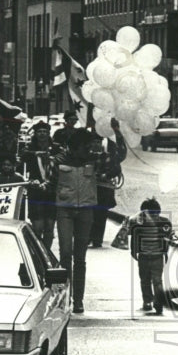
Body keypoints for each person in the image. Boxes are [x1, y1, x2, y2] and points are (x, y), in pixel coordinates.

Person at [54, 129, 99, 314]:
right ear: (75, 147)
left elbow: (115, 164)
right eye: (85, 147)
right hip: (64, 209)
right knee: (65, 253)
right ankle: (66, 297)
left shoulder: (94, 160)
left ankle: (78, 300)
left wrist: (117, 136)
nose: (88, 150)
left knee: (80, 258)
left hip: (86, 210)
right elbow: (50, 182)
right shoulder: (58, 160)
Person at [129, 197, 176, 315]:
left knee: (145, 280)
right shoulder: (163, 223)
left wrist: (134, 252)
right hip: (156, 257)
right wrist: (165, 253)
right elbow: (167, 239)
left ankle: (148, 301)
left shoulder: (139, 224)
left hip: (146, 257)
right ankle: (156, 302)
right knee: (156, 281)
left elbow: (134, 239)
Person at [88, 118, 127, 248]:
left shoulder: (111, 146)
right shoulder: (86, 147)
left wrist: (107, 174)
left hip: (104, 188)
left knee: (101, 214)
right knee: (87, 213)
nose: (96, 143)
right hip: (88, 187)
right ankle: (87, 237)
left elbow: (119, 160)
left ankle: (97, 239)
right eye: (94, 141)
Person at [20, 121, 58, 252]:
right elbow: (22, 156)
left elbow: (63, 158)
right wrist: (35, 153)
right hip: (36, 190)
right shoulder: (29, 148)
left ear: (49, 134)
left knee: (49, 225)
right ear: (35, 134)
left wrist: (52, 158)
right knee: (37, 225)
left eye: (45, 132)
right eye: (39, 132)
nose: (42, 134)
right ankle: (37, 252)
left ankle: (47, 252)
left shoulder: (56, 147)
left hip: (52, 190)